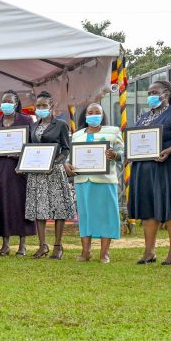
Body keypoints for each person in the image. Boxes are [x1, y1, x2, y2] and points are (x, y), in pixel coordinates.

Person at [127, 79, 171, 265]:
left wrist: (170, 150)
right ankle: (149, 252)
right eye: (149, 93)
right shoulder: (143, 116)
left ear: (166, 94)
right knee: (148, 209)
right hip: (144, 169)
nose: (151, 96)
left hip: (170, 167)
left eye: (154, 93)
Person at [67, 103, 122, 263]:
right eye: (90, 112)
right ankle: (86, 251)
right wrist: (67, 165)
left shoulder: (113, 132)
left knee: (106, 215)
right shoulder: (77, 135)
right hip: (83, 181)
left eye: (97, 112)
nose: (93, 115)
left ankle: (104, 253)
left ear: (102, 114)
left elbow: (123, 153)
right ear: (85, 115)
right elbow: (71, 157)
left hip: (105, 181)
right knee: (85, 216)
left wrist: (115, 156)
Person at [24, 91, 76, 259]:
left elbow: (66, 149)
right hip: (37, 174)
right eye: (38, 106)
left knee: (58, 208)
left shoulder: (60, 125)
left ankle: (58, 246)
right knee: (40, 209)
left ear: (51, 106)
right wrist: (23, 165)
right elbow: (29, 149)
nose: (40, 108)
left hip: (54, 172)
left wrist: (54, 164)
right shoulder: (32, 126)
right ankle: (42, 246)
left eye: (44, 106)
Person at [0, 90, 36, 256]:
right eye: (3, 101)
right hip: (0, 168)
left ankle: (23, 245)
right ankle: (5, 244)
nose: (6, 104)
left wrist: (20, 155)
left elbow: (31, 143)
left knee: (21, 204)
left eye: (9, 101)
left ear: (16, 104)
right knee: (2, 204)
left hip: (19, 169)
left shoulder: (26, 120)